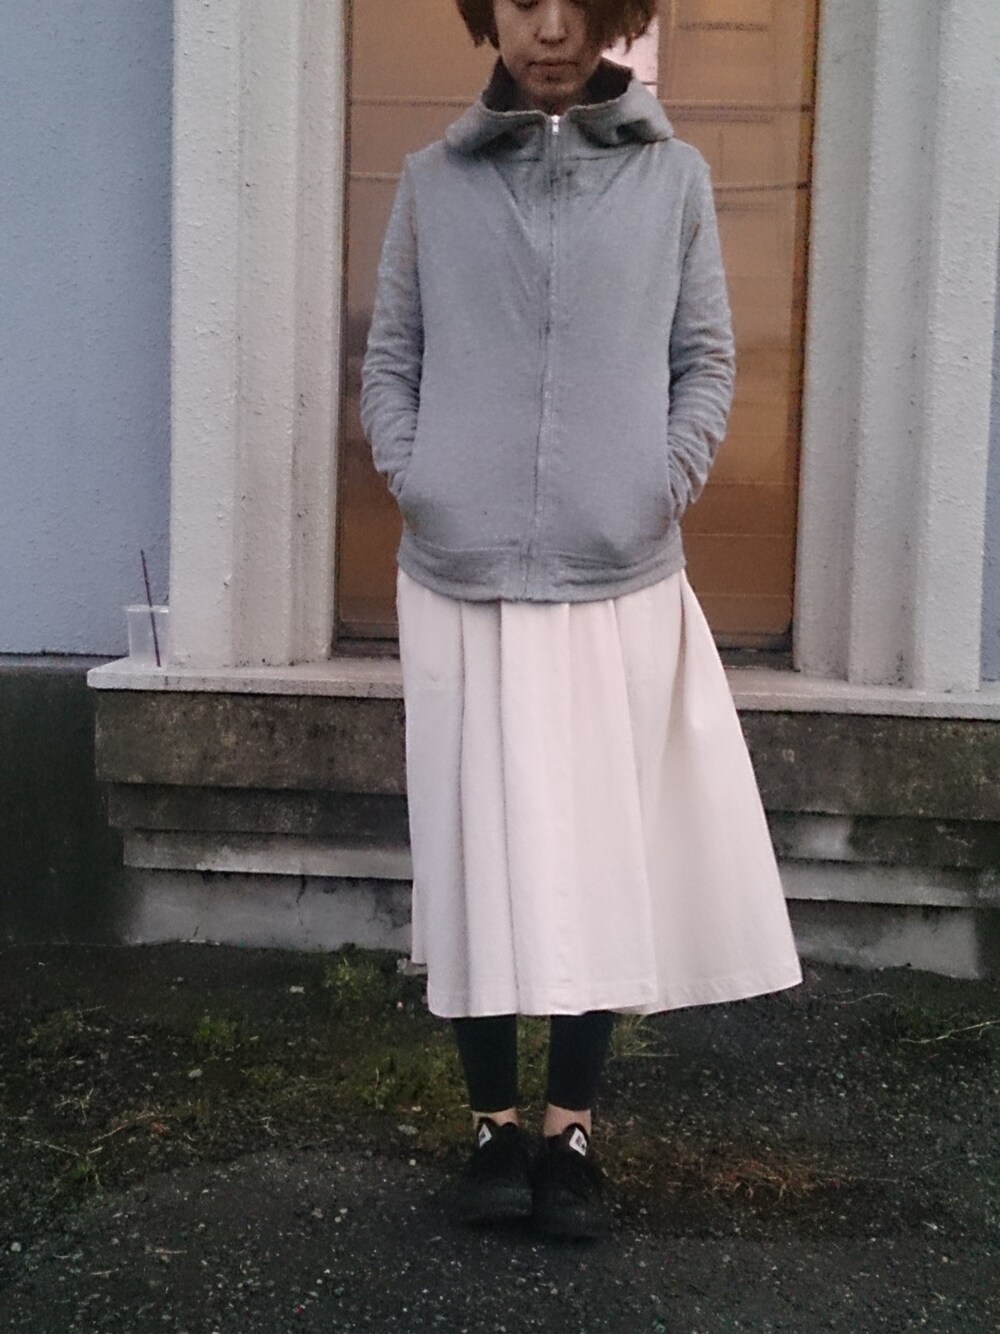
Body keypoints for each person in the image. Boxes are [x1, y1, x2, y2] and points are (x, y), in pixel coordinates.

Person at [361, 0, 802, 1240]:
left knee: (595, 856)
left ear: (614, 12)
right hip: (460, 571)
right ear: (485, 13)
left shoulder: (673, 177)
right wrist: (423, 478)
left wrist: (652, 485)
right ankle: (491, 1129)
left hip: (618, 570)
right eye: (519, 1)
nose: (548, 28)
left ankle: (570, 1132)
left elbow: (703, 358)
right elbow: (391, 358)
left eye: (574, 0)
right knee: (476, 851)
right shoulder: (432, 182)